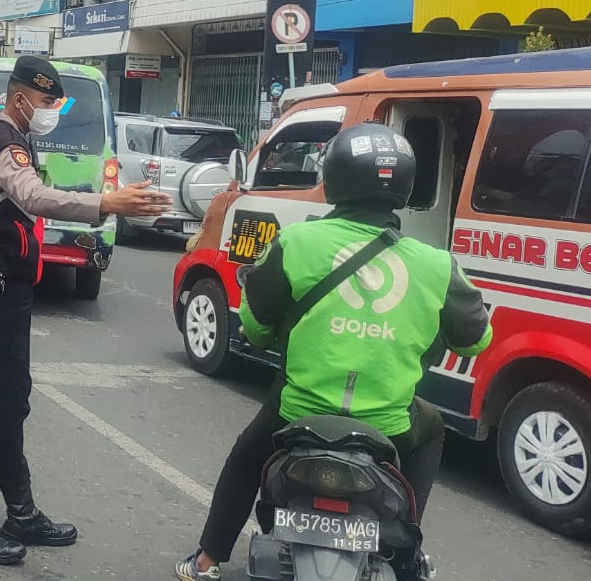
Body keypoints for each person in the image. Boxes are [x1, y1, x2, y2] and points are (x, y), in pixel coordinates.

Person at [173, 122, 493, 581]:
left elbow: (256, 328)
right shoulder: (436, 264)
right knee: (434, 428)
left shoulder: (296, 243)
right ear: (405, 187)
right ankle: (407, 547)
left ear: (335, 178)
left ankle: (206, 561)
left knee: (246, 458)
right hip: (389, 425)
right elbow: (475, 339)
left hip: (296, 416)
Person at [0, 56, 172, 566]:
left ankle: (20, 511)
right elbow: (33, 196)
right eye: (47, 102)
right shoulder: (3, 141)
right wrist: (105, 204)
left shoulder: (16, 138)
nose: (52, 112)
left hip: (7, 288)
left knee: (11, 401)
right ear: (20, 97)